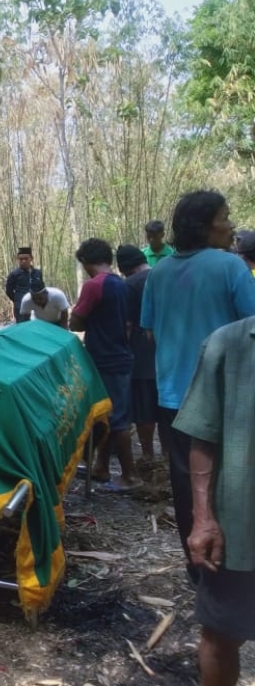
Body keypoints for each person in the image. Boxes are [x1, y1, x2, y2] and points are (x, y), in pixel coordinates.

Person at [141, 190, 255, 575]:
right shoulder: (231, 267)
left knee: (187, 483)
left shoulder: (158, 273)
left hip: (172, 395)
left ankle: (199, 567)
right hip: (225, 400)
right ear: (206, 226)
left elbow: (151, 333)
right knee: (232, 481)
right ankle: (234, 565)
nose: (231, 224)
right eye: (226, 216)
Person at [172, 317, 255, 686]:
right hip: (241, 528)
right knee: (222, 633)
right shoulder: (229, 343)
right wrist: (203, 517)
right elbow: (202, 438)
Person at [71, 238, 139, 492]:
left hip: (104, 359)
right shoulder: (122, 285)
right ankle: (100, 467)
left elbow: (76, 322)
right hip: (122, 354)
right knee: (109, 414)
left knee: (117, 418)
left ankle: (130, 476)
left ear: (87, 262)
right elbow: (129, 323)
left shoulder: (93, 285)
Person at [116, 245, 162, 461]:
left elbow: (126, 324)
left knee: (144, 410)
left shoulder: (130, 285)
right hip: (169, 351)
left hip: (142, 352)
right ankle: (169, 457)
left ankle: (148, 456)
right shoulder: (164, 275)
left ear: (125, 268)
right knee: (167, 408)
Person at [5, 246, 44, 322]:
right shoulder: (14, 274)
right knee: (23, 329)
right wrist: (17, 300)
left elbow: (42, 288)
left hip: (37, 306)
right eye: (21, 259)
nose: (23, 261)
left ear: (31, 258)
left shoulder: (37, 273)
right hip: (21, 308)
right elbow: (8, 291)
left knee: (38, 327)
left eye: (26, 259)